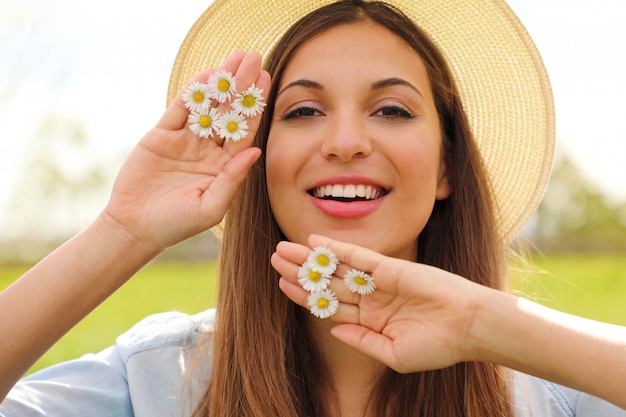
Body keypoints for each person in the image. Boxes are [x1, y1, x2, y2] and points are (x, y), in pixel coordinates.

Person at [0, 0, 625, 416]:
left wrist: (490, 326)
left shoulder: (553, 393)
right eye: (302, 112)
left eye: (392, 110)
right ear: (257, 157)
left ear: (447, 168)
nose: (346, 141)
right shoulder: (162, 381)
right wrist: (122, 231)